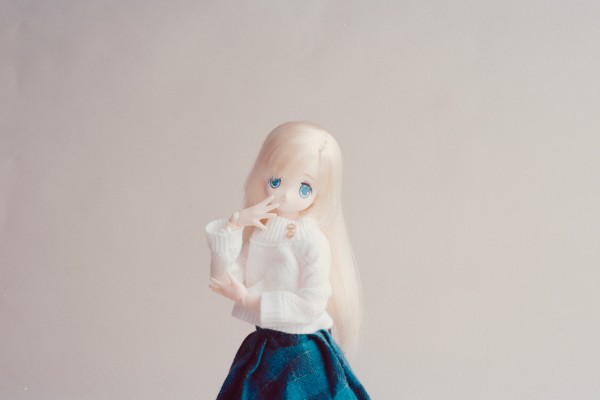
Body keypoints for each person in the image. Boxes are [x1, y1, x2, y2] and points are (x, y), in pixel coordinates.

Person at [206, 121, 370, 399]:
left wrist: (249, 300)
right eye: (276, 181)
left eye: (304, 188)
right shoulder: (262, 232)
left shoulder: (311, 240)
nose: (285, 195)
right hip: (265, 345)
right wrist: (234, 225)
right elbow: (224, 279)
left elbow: (311, 302)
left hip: (301, 349)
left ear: (320, 193)